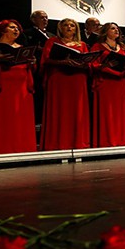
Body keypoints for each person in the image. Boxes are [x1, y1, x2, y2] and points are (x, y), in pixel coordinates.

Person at [0, 19, 37, 155]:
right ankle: (0, 148)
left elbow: (31, 69)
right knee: (2, 119)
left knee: (19, 119)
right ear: (3, 30)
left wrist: (33, 62)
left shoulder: (22, 48)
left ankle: (22, 147)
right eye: (12, 27)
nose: (16, 30)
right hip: (0, 87)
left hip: (21, 89)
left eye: (18, 28)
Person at [40, 18, 92, 151]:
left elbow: (89, 64)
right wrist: (62, 62)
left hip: (77, 80)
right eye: (66, 25)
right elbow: (45, 60)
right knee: (59, 109)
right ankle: (57, 143)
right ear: (60, 28)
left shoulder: (82, 44)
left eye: (72, 26)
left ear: (76, 29)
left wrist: (83, 64)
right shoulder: (52, 42)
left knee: (77, 111)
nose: (69, 28)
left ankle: (78, 142)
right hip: (58, 79)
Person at [90, 22, 125, 147]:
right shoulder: (97, 46)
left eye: (117, 28)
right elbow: (92, 64)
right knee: (107, 112)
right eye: (112, 28)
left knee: (121, 112)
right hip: (105, 83)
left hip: (120, 83)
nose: (116, 30)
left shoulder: (124, 47)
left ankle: (122, 140)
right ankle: (107, 141)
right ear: (105, 31)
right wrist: (105, 66)